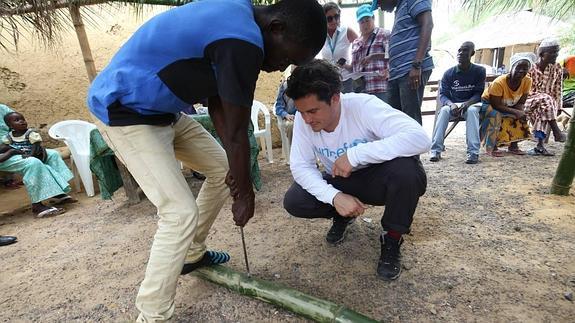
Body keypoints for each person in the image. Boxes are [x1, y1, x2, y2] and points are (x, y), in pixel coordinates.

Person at [86, 0, 327, 321]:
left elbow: (221, 108)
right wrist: (245, 193)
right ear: (276, 27)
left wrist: (239, 181)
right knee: (178, 212)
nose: (279, 67)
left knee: (223, 170)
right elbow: (238, 130)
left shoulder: (235, 22)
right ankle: (152, 314)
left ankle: (192, 253)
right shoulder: (242, 40)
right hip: (125, 111)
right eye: (286, 57)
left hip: (162, 112)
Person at [282, 60, 429, 281]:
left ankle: (392, 238)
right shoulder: (305, 120)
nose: (307, 119)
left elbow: (419, 138)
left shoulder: (364, 106)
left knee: (408, 172)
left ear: (335, 98)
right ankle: (342, 214)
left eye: (312, 111)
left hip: (377, 180)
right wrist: (334, 197)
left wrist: (355, 155)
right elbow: (301, 166)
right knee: (295, 199)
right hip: (341, 180)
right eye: (302, 112)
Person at [0, 112, 75, 217]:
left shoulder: (3, 109)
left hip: (21, 150)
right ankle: (37, 206)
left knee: (52, 154)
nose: (21, 121)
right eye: (17, 120)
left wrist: (36, 150)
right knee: (33, 163)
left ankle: (56, 192)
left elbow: (35, 145)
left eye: (22, 119)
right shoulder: (9, 137)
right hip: (7, 154)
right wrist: (11, 151)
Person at [371, 0, 434, 125]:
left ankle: (417, 145)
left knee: (410, 120)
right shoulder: (400, 8)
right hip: (398, 73)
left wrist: (417, 64)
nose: (380, 7)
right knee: (396, 121)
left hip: (410, 70)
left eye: (378, 3)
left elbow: (428, 24)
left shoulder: (411, 1)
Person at [430, 41, 486, 164]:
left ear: (472, 53)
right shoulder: (449, 73)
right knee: (444, 111)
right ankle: (435, 150)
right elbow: (443, 95)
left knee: (471, 111)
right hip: (454, 105)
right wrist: (451, 104)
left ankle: (473, 152)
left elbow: (478, 94)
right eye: (459, 50)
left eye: (465, 50)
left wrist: (467, 103)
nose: (461, 53)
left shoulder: (479, 71)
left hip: (471, 104)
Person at [480, 53, 534, 157]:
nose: (522, 70)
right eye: (519, 67)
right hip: (489, 103)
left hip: (509, 103)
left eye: (525, 68)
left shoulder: (527, 81)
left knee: (520, 116)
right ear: (512, 68)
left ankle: (513, 145)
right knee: (496, 115)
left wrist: (520, 113)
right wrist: (515, 111)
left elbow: (521, 102)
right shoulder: (499, 83)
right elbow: (496, 105)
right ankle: (492, 146)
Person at [523, 39, 566, 156]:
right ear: (541, 54)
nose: (555, 55)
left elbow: (558, 89)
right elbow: (525, 91)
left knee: (543, 106)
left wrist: (558, 106)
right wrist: (546, 99)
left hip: (546, 106)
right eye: (552, 53)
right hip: (527, 101)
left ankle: (539, 146)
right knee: (545, 99)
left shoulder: (557, 68)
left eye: (556, 52)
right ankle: (557, 132)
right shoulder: (530, 68)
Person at [349, 4, 390, 101]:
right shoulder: (356, 42)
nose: (365, 24)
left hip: (381, 87)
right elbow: (354, 67)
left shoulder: (384, 34)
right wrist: (343, 66)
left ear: (373, 18)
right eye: (361, 22)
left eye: (367, 20)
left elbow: (393, 55)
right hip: (361, 90)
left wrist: (373, 57)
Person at [318, 2, 358, 93]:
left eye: (336, 16)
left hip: (346, 79)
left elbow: (361, 47)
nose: (334, 21)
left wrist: (352, 65)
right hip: (328, 81)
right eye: (329, 18)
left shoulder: (347, 31)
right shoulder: (321, 35)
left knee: (347, 106)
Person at [274, 68, 297, 147]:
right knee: (290, 126)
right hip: (291, 118)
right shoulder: (285, 86)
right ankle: (294, 152)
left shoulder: (309, 85)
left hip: (305, 116)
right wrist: (286, 115)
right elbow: (278, 107)